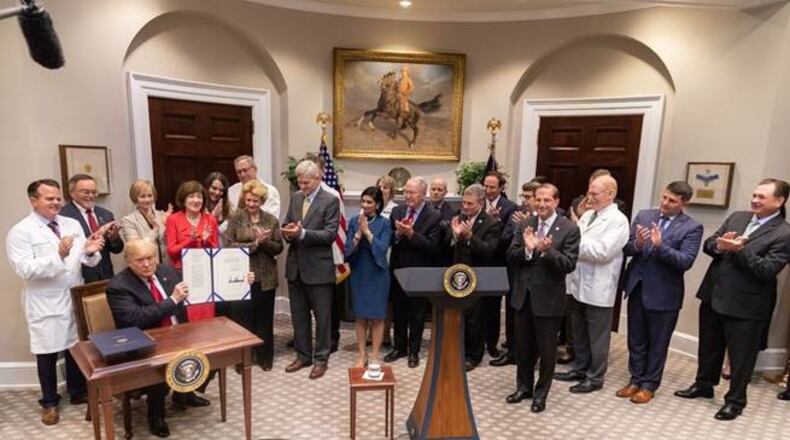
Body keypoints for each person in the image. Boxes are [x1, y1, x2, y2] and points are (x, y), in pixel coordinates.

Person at [675, 178, 790, 421]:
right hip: (714, 294)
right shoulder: (738, 217)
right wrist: (720, 246)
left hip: (747, 305)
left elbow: (768, 270)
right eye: (755, 195)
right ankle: (703, 385)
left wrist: (739, 250)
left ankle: (735, 401)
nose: (755, 200)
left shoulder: (784, 233)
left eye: (762, 197)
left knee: (741, 357)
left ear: (779, 202)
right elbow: (709, 244)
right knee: (709, 346)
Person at [6, 179, 105, 425]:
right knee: (47, 351)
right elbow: (25, 269)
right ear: (34, 201)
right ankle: (49, 402)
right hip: (44, 301)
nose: (56, 203)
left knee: (75, 347)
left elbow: (85, 258)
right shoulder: (21, 231)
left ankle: (78, 392)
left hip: (73, 294)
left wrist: (91, 250)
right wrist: (57, 255)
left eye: (58, 198)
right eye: (49, 198)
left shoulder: (71, 224)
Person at [105, 239, 206, 437]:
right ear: (128, 261)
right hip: (144, 342)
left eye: (150, 258)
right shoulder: (118, 286)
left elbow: (200, 287)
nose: (146, 264)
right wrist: (173, 300)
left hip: (178, 333)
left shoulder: (167, 272)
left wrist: (238, 280)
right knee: (160, 364)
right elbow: (135, 318)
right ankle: (156, 414)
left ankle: (183, 393)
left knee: (215, 352)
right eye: (139, 260)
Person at [617, 181, 703, 404]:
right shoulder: (645, 215)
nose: (665, 203)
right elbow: (625, 248)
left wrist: (660, 246)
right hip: (637, 286)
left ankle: (649, 384)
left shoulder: (691, 227)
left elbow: (685, 261)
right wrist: (638, 242)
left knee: (657, 342)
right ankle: (635, 379)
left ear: (684, 203)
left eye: (672, 200)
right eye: (664, 197)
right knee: (636, 339)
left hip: (665, 294)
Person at [506, 183, 580, 413]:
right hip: (523, 297)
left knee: (547, 352)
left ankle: (541, 394)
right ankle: (524, 387)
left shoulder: (569, 229)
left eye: (547, 200)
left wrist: (547, 251)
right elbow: (511, 255)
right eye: (538, 200)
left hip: (549, 301)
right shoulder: (525, 223)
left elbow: (568, 265)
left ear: (557, 202)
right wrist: (528, 251)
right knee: (523, 347)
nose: (541, 204)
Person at [555, 175, 629, 393]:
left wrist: (574, 243)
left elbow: (603, 252)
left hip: (599, 286)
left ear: (610, 194)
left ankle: (595, 377)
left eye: (595, 193)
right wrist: (577, 243)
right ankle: (579, 368)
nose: (590, 197)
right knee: (578, 331)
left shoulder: (618, 221)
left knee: (597, 336)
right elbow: (582, 244)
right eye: (589, 192)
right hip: (577, 283)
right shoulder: (587, 215)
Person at [281, 160, 340, 379]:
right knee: (299, 316)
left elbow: (330, 235)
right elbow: (288, 222)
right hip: (295, 268)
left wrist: (302, 234)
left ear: (318, 179)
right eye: (300, 182)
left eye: (306, 183)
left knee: (323, 318)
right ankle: (303, 355)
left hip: (318, 269)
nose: (302, 186)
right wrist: (287, 231)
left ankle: (321, 359)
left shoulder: (330, 201)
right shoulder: (296, 198)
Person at [225, 180, 284, 371]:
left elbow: (279, 247)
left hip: (266, 278)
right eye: (249, 200)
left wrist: (265, 242)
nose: (251, 204)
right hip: (242, 277)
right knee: (243, 320)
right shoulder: (235, 218)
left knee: (264, 320)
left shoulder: (271, 220)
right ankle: (243, 361)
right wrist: (254, 244)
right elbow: (228, 245)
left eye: (256, 201)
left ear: (262, 201)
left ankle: (265, 359)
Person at [384, 177, 441, 368]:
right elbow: (389, 238)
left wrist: (411, 235)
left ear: (423, 195)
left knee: (416, 314)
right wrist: (398, 234)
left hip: (419, 271)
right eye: (406, 192)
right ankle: (399, 347)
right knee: (399, 311)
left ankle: (413, 352)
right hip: (398, 269)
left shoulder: (433, 216)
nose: (407, 196)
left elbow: (433, 247)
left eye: (412, 192)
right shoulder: (397, 211)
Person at [446, 184, 501, 371]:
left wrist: (470, 237)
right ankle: (459, 350)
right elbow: (447, 243)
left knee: (475, 318)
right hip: (458, 276)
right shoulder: (459, 218)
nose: (466, 207)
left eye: (470, 203)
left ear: (481, 203)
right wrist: (454, 234)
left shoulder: (491, 224)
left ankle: (473, 356)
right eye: (464, 202)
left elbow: (489, 251)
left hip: (478, 277)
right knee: (460, 315)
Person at [493, 180, 542, 367]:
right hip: (515, 272)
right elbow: (505, 240)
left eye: (528, 197)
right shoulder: (517, 216)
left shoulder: (546, 220)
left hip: (537, 278)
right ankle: (512, 351)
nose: (524, 200)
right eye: (523, 196)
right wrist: (516, 228)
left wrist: (524, 228)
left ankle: (531, 355)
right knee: (513, 315)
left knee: (533, 319)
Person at [345, 186, 393, 367]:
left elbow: (382, 249)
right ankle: (362, 354)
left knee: (377, 317)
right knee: (360, 316)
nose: (365, 205)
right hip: (359, 273)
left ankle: (374, 356)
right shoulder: (352, 221)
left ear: (378, 204)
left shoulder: (385, 223)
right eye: (363, 201)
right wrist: (358, 234)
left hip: (378, 274)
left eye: (369, 202)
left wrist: (367, 232)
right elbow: (347, 251)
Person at [165, 180, 219, 321]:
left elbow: (216, 252)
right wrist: (191, 240)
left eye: (199, 196)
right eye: (191, 196)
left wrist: (206, 241)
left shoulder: (211, 220)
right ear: (183, 199)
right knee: (186, 317)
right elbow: (171, 251)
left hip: (205, 275)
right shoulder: (173, 220)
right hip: (181, 274)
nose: (196, 200)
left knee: (206, 316)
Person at [60, 173, 124, 282]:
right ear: (72, 193)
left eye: (94, 192)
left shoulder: (105, 214)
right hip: (79, 276)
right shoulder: (63, 216)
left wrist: (114, 239)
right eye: (86, 192)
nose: (91, 195)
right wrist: (98, 234)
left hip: (105, 275)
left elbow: (117, 249)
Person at [483, 171, 517, 359]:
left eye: (492, 187)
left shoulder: (510, 207)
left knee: (493, 306)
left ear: (501, 188)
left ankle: (491, 343)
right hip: (479, 261)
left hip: (497, 263)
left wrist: (496, 224)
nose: (488, 190)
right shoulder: (478, 202)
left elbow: (508, 237)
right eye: (486, 186)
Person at [120, 179, 172, 265]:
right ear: (135, 198)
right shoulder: (128, 221)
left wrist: (168, 225)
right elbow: (137, 249)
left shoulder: (162, 215)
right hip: (144, 266)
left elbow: (168, 242)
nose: (147, 200)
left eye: (150, 195)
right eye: (142, 196)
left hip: (166, 266)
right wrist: (155, 229)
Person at [204, 172, 232, 240]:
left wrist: (221, 222)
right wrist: (213, 216)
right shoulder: (199, 206)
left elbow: (230, 236)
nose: (217, 193)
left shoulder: (229, 208)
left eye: (221, 190)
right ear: (207, 187)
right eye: (214, 188)